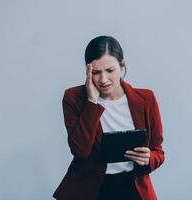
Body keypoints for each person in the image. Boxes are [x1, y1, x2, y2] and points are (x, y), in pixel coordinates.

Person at [53, 35, 164, 200]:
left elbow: (158, 151)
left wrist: (149, 158)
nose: (103, 80)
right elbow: (80, 151)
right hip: (91, 190)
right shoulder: (74, 98)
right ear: (88, 70)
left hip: (133, 187)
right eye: (96, 72)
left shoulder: (146, 99)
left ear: (122, 66)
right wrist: (92, 102)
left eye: (110, 70)